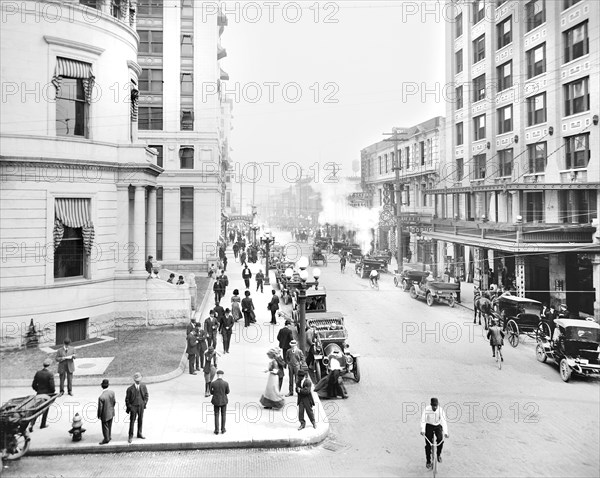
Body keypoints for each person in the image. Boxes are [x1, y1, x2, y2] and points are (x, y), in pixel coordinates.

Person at [420, 397, 449, 469]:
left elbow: (444, 421)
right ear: (431, 405)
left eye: (436, 405)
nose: (435, 407)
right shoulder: (427, 409)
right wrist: (422, 430)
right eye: (433, 406)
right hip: (429, 426)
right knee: (428, 444)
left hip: (437, 426)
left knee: (440, 439)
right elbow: (423, 420)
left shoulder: (440, 410)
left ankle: (438, 455)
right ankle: (428, 461)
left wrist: (446, 432)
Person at [30, 358, 55, 431]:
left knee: (36, 410)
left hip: (39, 394)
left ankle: (31, 425)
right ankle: (42, 424)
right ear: (49, 365)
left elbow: (34, 385)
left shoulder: (38, 373)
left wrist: (38, 390)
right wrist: (52, 393)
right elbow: (52, 387)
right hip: (47, 395)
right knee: (45, 409)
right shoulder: (50, 374)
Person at [125, 372, 149, 443]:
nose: (138, 381)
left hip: (141, 406)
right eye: (137, 380)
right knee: (132, 421)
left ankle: (139, 433)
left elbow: (146, 395)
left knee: (140, 420)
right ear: (134, 380)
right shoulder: (129, 389)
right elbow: (127, 399)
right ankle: (130, 435)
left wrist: (144, 402)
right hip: (133, 407)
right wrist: (130, 407)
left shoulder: (143, 386)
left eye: (139, 380)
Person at [210, 370, 230, 435]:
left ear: (217, 375)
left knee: (216, 415)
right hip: (223, 401)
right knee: (223, 415)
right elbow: (227, 392)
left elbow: (211, 392)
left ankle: (216, 430)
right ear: (222, 375)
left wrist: (215, 393)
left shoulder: (213, 383)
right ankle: (223, 429)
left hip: (216, 401)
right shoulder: (226, 383)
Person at [97, 379, 115, 445]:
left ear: (102, 386)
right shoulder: (112, 393)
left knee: (105, 427)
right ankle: (109, 436)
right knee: (110, 425)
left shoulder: (101, 397)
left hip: (105, 414)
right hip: (111, 412)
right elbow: (114, 402)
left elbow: (100, 408)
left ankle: (106, 439)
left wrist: (99, 415)